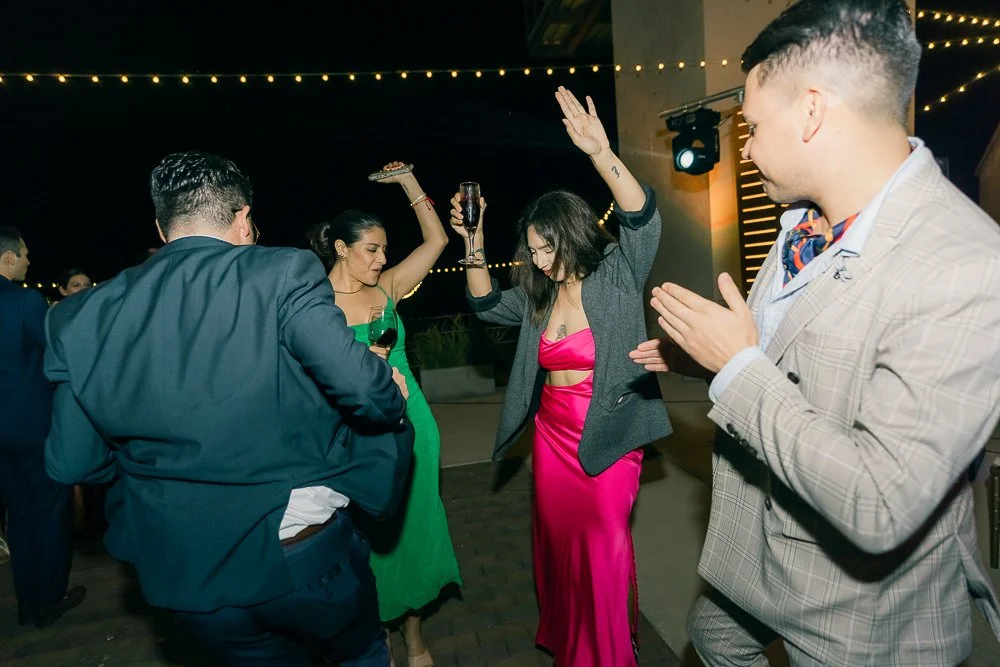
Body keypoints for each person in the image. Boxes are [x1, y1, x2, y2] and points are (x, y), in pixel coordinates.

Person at [631, 1, 1000, 664]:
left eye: (751, 125)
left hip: (862, 611)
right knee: (712, 637)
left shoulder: (966, 266)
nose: (745, 146)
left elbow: (879, 503)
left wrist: (738, 368)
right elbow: (796, 361)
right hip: (767, 548)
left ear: (811, 111)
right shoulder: (801, 221)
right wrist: (710, 358)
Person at [43, 151, 415, 667]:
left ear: (162, 227)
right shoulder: (282, 271)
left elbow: (73, 463)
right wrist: (389, 392)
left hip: (184, 569)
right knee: (361, 657)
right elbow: (368, 394)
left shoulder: (81, 316)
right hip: (300, 554)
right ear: (243, 218)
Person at [454, 87, 672, 667]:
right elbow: (484, 304)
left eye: (545, 248)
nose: (539, 260)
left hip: (607, 434)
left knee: (602, 551)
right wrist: (473, 241)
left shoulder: (616, 274)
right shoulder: (540, 296)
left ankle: (607, 655)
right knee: (561, 551)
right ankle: (574, 647)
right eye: (531, 251)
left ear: (571, 233)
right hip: (552, 437)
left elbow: (642, 219)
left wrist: (601, 153)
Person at [308, 161, 462, 667]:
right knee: (365, 539)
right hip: (354, 433)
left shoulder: (388, 288)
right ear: (341, 248)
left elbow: (437, 241)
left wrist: (410, 183)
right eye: (371, 250)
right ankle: (377, 635)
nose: (382, 259)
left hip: (412, 426)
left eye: (384, 250)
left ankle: (414, 635)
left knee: (413, 530)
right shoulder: (315, 305)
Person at [0, 227, 86, 628]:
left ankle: (26, 604)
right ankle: (49, 599)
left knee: (18, 515)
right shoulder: (24, 301)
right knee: (50, 511)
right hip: (33, 427)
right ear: (8, 258)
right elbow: (57, 354)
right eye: (24, 255)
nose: (28, 262)